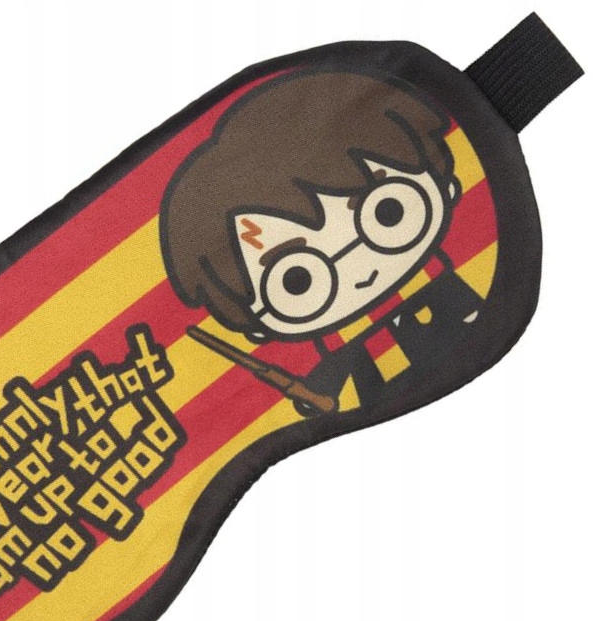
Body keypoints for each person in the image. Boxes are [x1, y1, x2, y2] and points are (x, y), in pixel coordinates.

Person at [160, 70, 483, 414]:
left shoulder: (432, 279)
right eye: (297, 279)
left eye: (388, 212)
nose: (362, 274)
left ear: (446, 189)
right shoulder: (341, 335)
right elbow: (334, 373)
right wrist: (315, 396)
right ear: (255, 326)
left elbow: (467, 307)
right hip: (379, 389)